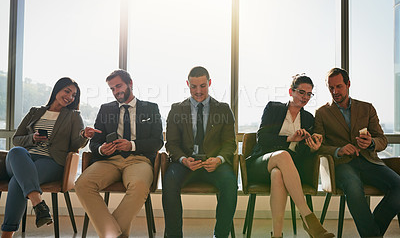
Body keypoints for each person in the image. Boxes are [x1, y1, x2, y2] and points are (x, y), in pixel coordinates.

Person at [1, 77, 98, 238]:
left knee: (17, 182)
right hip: (23, 159)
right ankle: (38, 203)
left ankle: (6, 234)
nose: (70, 97)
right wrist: (32, 138)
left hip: (51, 162)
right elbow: (17, 139)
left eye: (74, 95)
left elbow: (75, 145)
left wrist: (84, 135)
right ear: (57, 90)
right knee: (16, 151)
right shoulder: (35, 111)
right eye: (67, 91)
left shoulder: (73, 116)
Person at [75, 69, 163, 238]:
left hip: (139, 160)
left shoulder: (150, 108)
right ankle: (114, 233)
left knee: (139, 186)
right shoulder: (105, 109)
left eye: (119, 86)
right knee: (82, 185)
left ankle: (109, 234)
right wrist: (101, 149)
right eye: (112, 89)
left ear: (130, 83)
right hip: (108, 161)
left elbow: (158, 141)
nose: (116, 92)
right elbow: (95, 142)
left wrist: (132, 145)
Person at [314, 68, 400, 237]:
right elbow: (318, 146)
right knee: (353, 187)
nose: (335, 92)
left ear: (348, 84)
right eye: (331, 88)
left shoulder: (367, 108)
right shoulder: (322, 113)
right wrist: (338, 150)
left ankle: (372, 232)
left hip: (369, 161)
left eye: (339, 86)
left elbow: (382, 140)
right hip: (341, 165)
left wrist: (371, 143)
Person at [246, 74, 334, 238]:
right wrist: (289, 139)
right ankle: (308, 217)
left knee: (278, 174)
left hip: (287, 170)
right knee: (283, 155)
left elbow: (303, 153)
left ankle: (277, 235)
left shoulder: (308, 118)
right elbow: (262, 138)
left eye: (309, 94)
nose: (305, 97)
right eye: (301, 92)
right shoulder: (273, 108)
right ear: (290, 91)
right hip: (261, 163)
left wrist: (313, 148)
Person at [162, 66, 237, 238]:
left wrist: (218, 160)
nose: (198, 91)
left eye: (202, 86)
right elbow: (171, 144)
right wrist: (183, 160)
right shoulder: (176, 109)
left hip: (214, 164)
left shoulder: (224, 109)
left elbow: (229, 144)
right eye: (194, 86)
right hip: (185, 164)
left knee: (230, 182)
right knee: (170, 181)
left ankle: (221, 235)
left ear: (209, 83)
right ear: (188, 84)